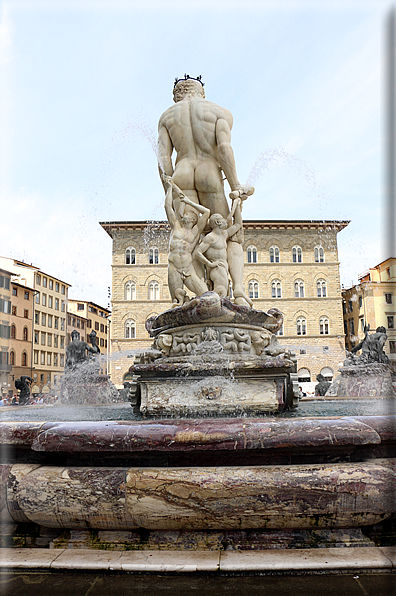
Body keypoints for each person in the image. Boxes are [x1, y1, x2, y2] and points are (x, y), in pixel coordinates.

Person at [158, 76, 254, 305]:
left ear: (177, 95)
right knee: (228, 233)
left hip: (182, 174)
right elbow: (224, 149)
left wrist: (169, 191)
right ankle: (239, 291)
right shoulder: (218, 112)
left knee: (191, 236)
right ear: (201, 92)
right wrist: (235, 186)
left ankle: (199, 297)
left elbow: (163, 159)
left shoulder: (167, 116)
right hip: (208, 172)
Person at [196, 198, 252, 306]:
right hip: (216, 268)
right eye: (222, 219)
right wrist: (209, 263)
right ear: (217, 222)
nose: (225, 221)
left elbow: (238, 225)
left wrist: (236, 208)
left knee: (223, 294)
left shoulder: (223, 235)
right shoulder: (210, 237)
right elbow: (198, 252)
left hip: (223, 268)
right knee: (220, 292)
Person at [164, 175, 210, 305]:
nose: (185, 214)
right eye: (185, 213)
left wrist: (189, 202)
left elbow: (207, 212)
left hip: (188, 269)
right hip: (174, 268)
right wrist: (169, 189)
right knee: (176, 302)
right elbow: (167, 207)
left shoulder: (195, 232)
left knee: (206, 295)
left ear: (193, 219)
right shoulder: (176, 226)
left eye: (189, 214)